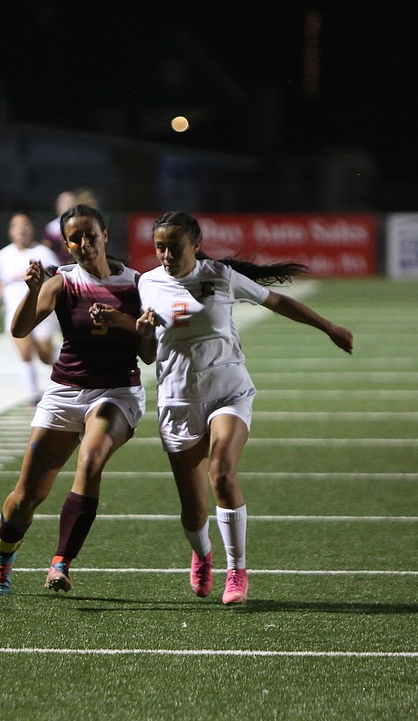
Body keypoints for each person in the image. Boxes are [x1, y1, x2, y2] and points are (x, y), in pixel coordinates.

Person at [138, 211, 354, 604]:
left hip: (229, 391)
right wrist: (138, 331)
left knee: (221, 473)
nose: (166, 255)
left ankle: (236, 570)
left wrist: (329, 328)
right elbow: (148, 354)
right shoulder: (146, 284)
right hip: (178, 399)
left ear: (196, 245)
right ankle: (203, 554)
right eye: (159, 247)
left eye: (174, 246)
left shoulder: (219, 275)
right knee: (192, 510)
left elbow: (277, 301)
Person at [0, 203, 153, 596]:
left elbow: (149, 353)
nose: (83, 244)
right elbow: (21, 328)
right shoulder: (62, 281)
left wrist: (124, 322)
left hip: (117, 391)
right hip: (65, 391)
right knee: (26, 496)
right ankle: (3, 559)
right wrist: (31, 291)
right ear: (65, 244)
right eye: (74, 238)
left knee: (91, 458)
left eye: (90, 235)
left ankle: (61, 562)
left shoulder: (137, 284)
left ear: (105, 235)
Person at [0, 212, 62, 404]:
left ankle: (68, 370)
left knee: (45, 354)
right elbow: (3, 281)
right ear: (11, 231)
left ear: (32, 229)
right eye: (17, 226)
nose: (22, 230)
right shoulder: (3, 255)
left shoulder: (44, 253)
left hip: (41, 310)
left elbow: (58, 279)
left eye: (25, 225)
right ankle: (34, 395)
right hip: (15, 310)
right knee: (25, 350)